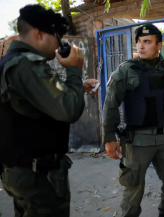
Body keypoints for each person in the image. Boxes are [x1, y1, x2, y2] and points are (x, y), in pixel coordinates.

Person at [0, 4, 100, 217]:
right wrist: (74, 68)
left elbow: (33, 99)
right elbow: (69, 110)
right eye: (58, 37)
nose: (59, 45)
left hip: (21, 171)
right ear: (39, 33)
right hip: (39, 177)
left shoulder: (10, 63)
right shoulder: (26, 64)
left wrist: (76, 85)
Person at [103, 24, 164, 217]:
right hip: (137, 142)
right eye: (138, 41)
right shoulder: (126, 70)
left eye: (147, 42)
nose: (141, 46)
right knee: (133, 191)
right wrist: (109, 137)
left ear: (159, 45)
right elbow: (110, 105)